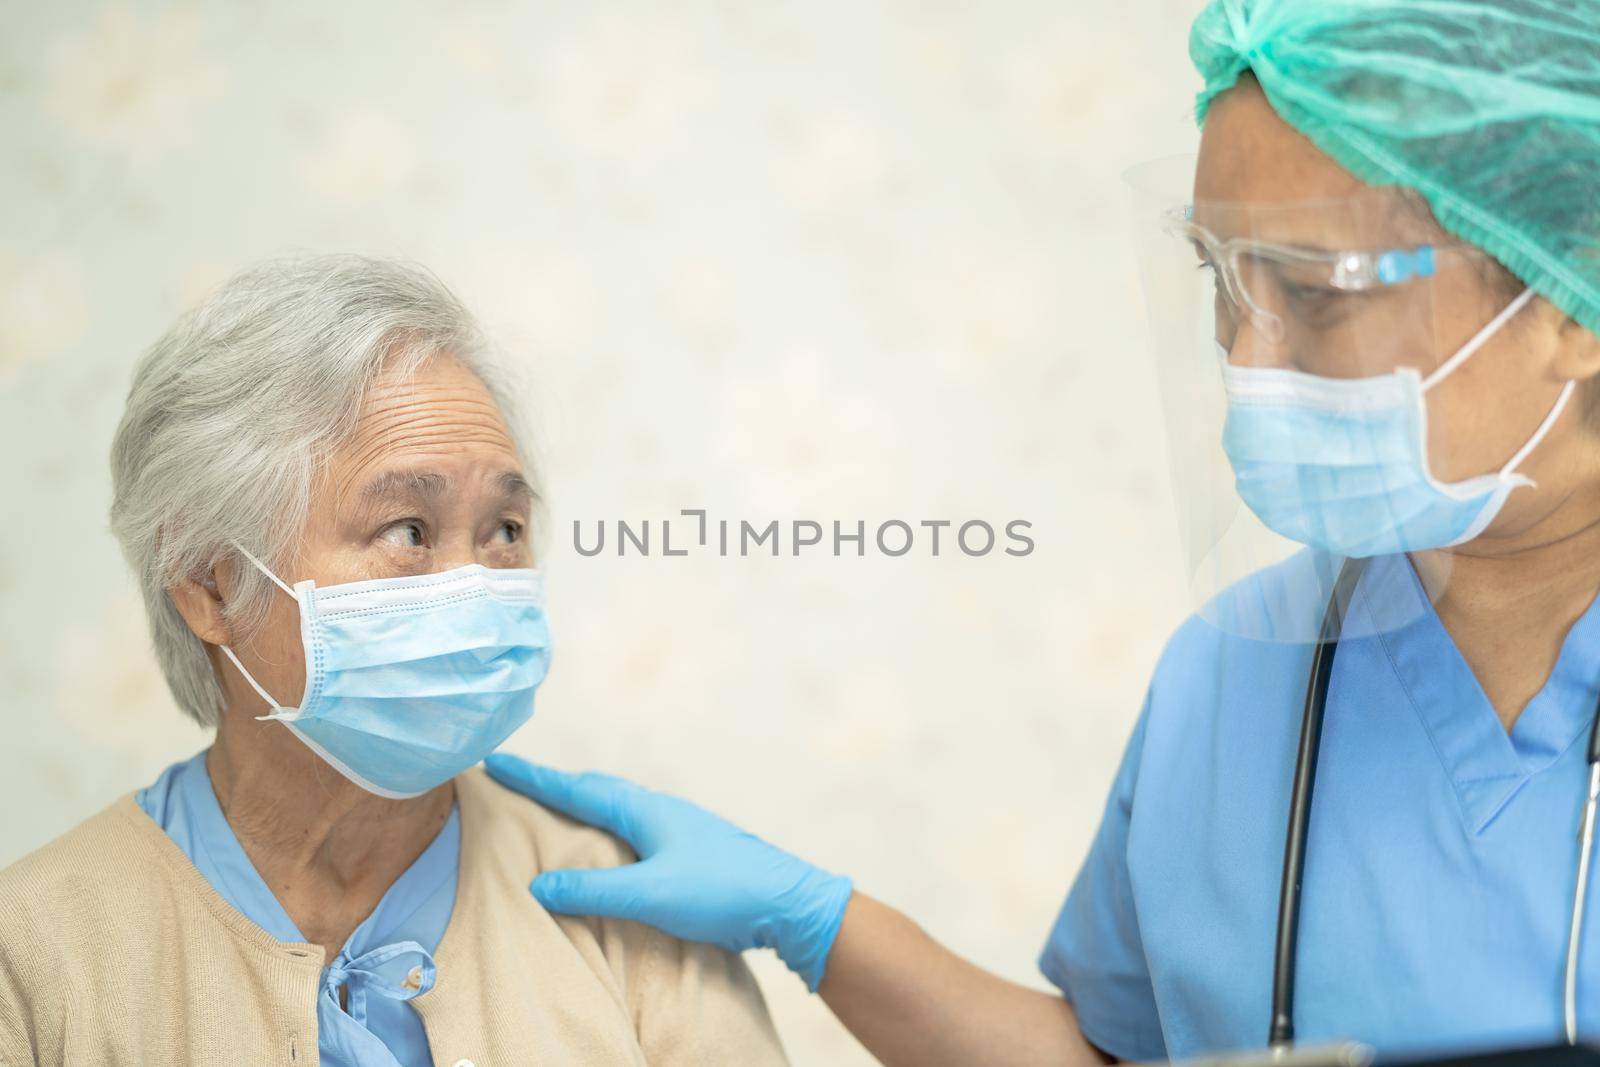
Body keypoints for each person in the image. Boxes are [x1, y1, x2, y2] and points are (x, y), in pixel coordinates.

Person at [484, 2, 1600, 1064]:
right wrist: (817, 919)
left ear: (1568, 297)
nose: (1244, 364)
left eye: (1314, 290)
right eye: (1222, 278)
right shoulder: (1237, 670)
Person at [0, 254, 789, 1066]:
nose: (477, 585)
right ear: (211, 583)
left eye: (505, 530)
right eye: (408, 529)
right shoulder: (33, 958)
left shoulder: (629, 913)